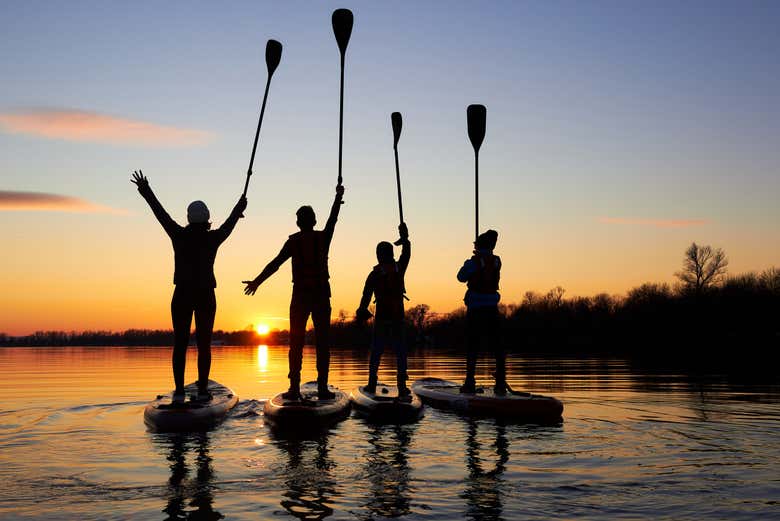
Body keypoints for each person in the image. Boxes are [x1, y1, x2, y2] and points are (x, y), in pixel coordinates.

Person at [131, 170, 247, 402]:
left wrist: (146, 191)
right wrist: (239, 208)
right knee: (204, 344)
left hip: (182, 293)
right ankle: (203, 390)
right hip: (205, 295)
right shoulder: (213, 238)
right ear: (206, 218)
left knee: (180, 343)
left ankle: (180, 391)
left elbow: (160, 214)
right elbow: (229, 225)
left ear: (189, 217)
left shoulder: (178, 234)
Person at [243, 185, 345, 400]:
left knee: (296, 343)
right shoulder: (322, 238)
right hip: (317, 296)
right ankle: (322, 388)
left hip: (302, 297)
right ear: (313, 221)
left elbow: (275, 264)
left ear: (298, 223)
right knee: (322, 343)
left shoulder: (294, 242)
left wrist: (257, 282)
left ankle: (295, 388)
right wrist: (337, 199)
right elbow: (332, 221)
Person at [355, 223, 411, 396]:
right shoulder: (399, 268)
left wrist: (361, 311)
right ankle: (401, 385)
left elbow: (365, 297)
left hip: (383, 319)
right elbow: (407, 254)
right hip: (398, 318)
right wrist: (406, 239)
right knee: (400, 352)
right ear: (392, 254)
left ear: (379, 255)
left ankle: (372, 384)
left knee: (377, 351)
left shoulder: (373, 274)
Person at [456, 229, 505, 395]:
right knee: (497, 345)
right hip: (492, 308)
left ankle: (470, 382)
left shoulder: (473, 262)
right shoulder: (497, 261)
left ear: (479, 245)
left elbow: (460, 277)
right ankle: (500, 383)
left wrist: (471, 261)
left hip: (476, 309)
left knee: (472, 345)